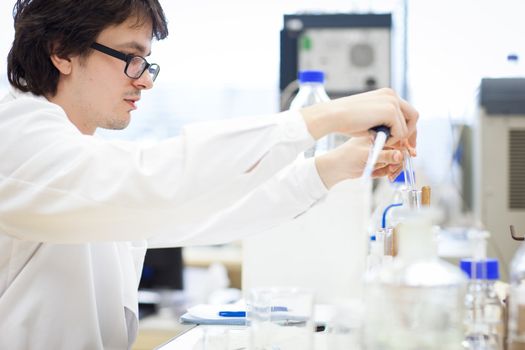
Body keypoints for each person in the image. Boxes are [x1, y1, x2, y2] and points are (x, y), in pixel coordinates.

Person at [0, 0, 418, 349]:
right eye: (131, 58)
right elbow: (157, 181)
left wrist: (328, 168)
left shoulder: (78, 157)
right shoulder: (14, 137)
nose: (145, 80)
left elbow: (194, 210)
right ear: (62, 51)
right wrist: (322, 117)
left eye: (147, 62)